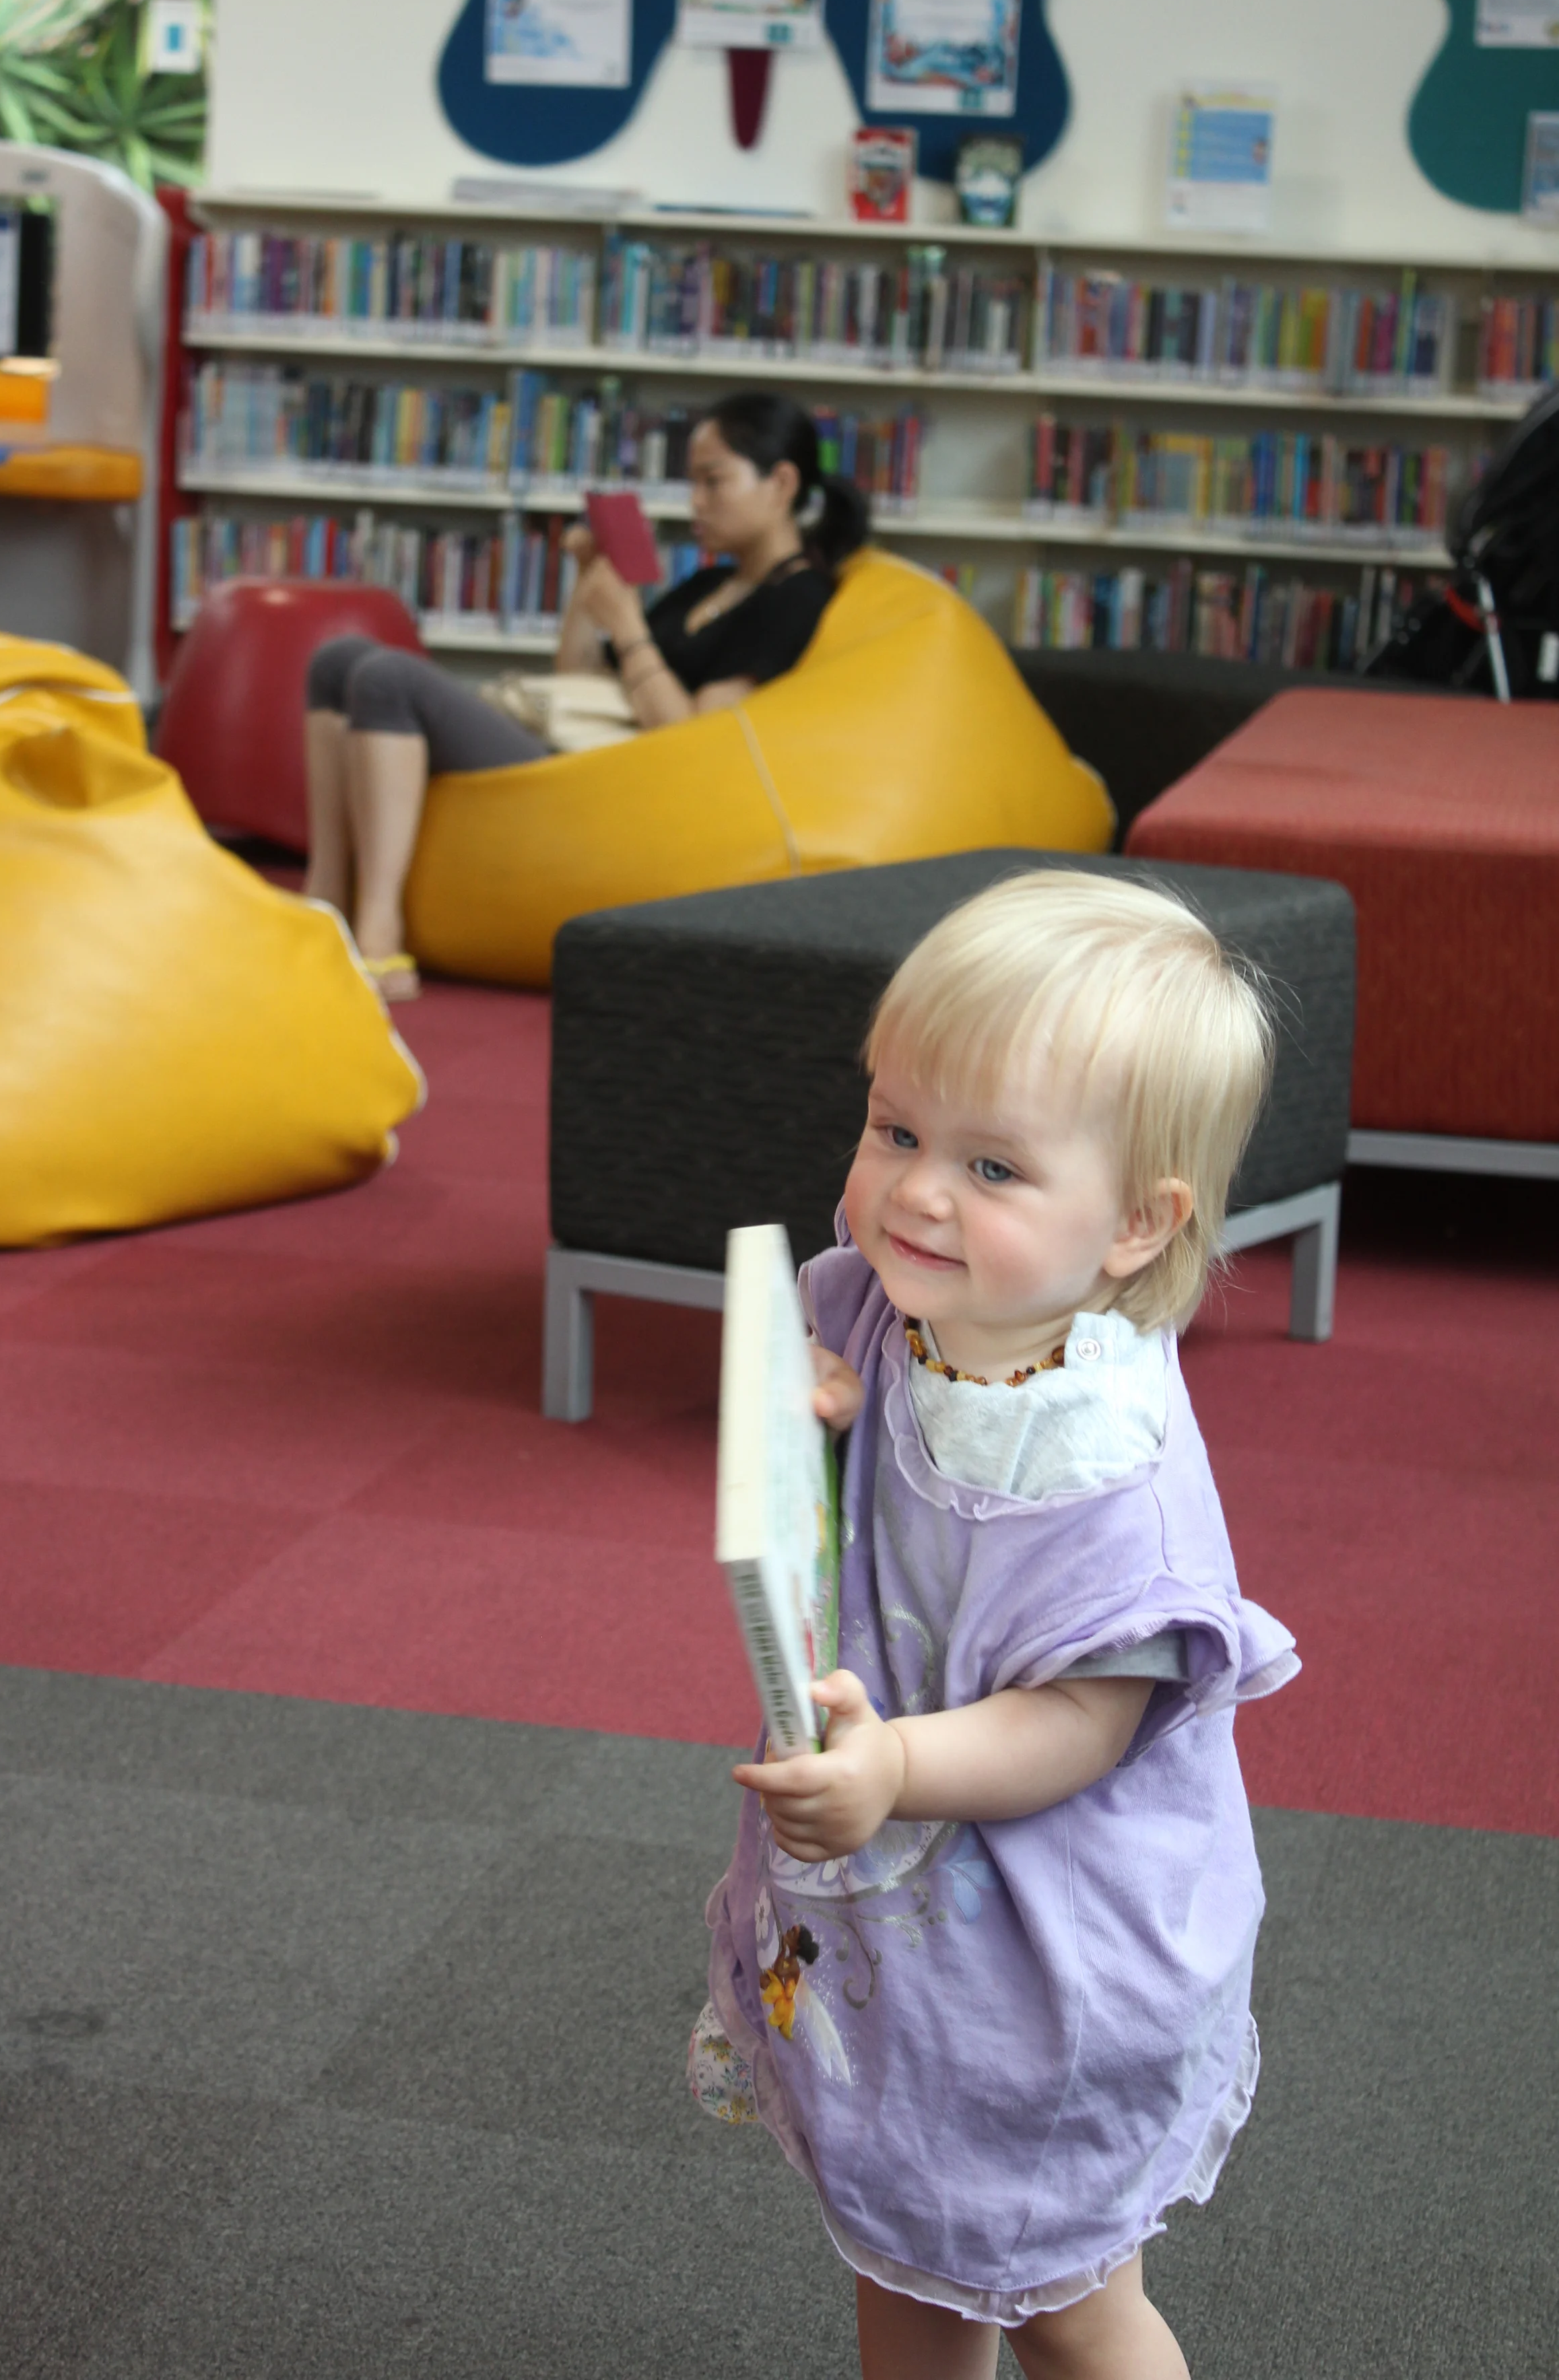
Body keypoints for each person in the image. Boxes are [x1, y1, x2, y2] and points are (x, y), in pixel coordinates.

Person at [691, 871, 1301, 2380]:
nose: (912, 1191)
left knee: (1071, 2306)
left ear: (1130, 1228)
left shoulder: (1104, 1466)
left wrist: (892, 1767)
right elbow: (822, 1348)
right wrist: (814, 1406)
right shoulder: (910, 1296)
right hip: (926, 1940)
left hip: (1059, 1955)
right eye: (896, 1129)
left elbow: (1078, 1723)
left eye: (991, 1167)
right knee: (908, 2265)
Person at [302, 391, 869, 997]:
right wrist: (588, 584)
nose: (695, 503)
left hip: (611, 785)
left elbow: (697, 740)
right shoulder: (708, 582)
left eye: (713, 482)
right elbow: (579, 679)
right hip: (581, 747)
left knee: (387, 679)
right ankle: (327, 897)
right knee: (338, 661)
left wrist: (627, 626)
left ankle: (381, 940)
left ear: (781, 483)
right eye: (692, 483)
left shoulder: (797, 598)